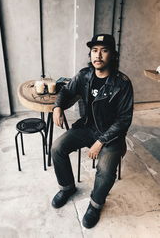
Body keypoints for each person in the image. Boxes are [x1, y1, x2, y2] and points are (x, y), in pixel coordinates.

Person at [51, 34, 134, 228]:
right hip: (87, 128)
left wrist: (101, 141)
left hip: (111, 137)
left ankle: (95, 205)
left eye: (104, 50)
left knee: (105, 171)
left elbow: (124, 120)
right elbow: (65, 91)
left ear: (113, 55)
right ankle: (67, 187)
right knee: (57, 148)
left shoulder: (122, 83)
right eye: (95, 50)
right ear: (90, 54)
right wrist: (57, 107)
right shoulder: (84, 75)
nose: (98, 55)